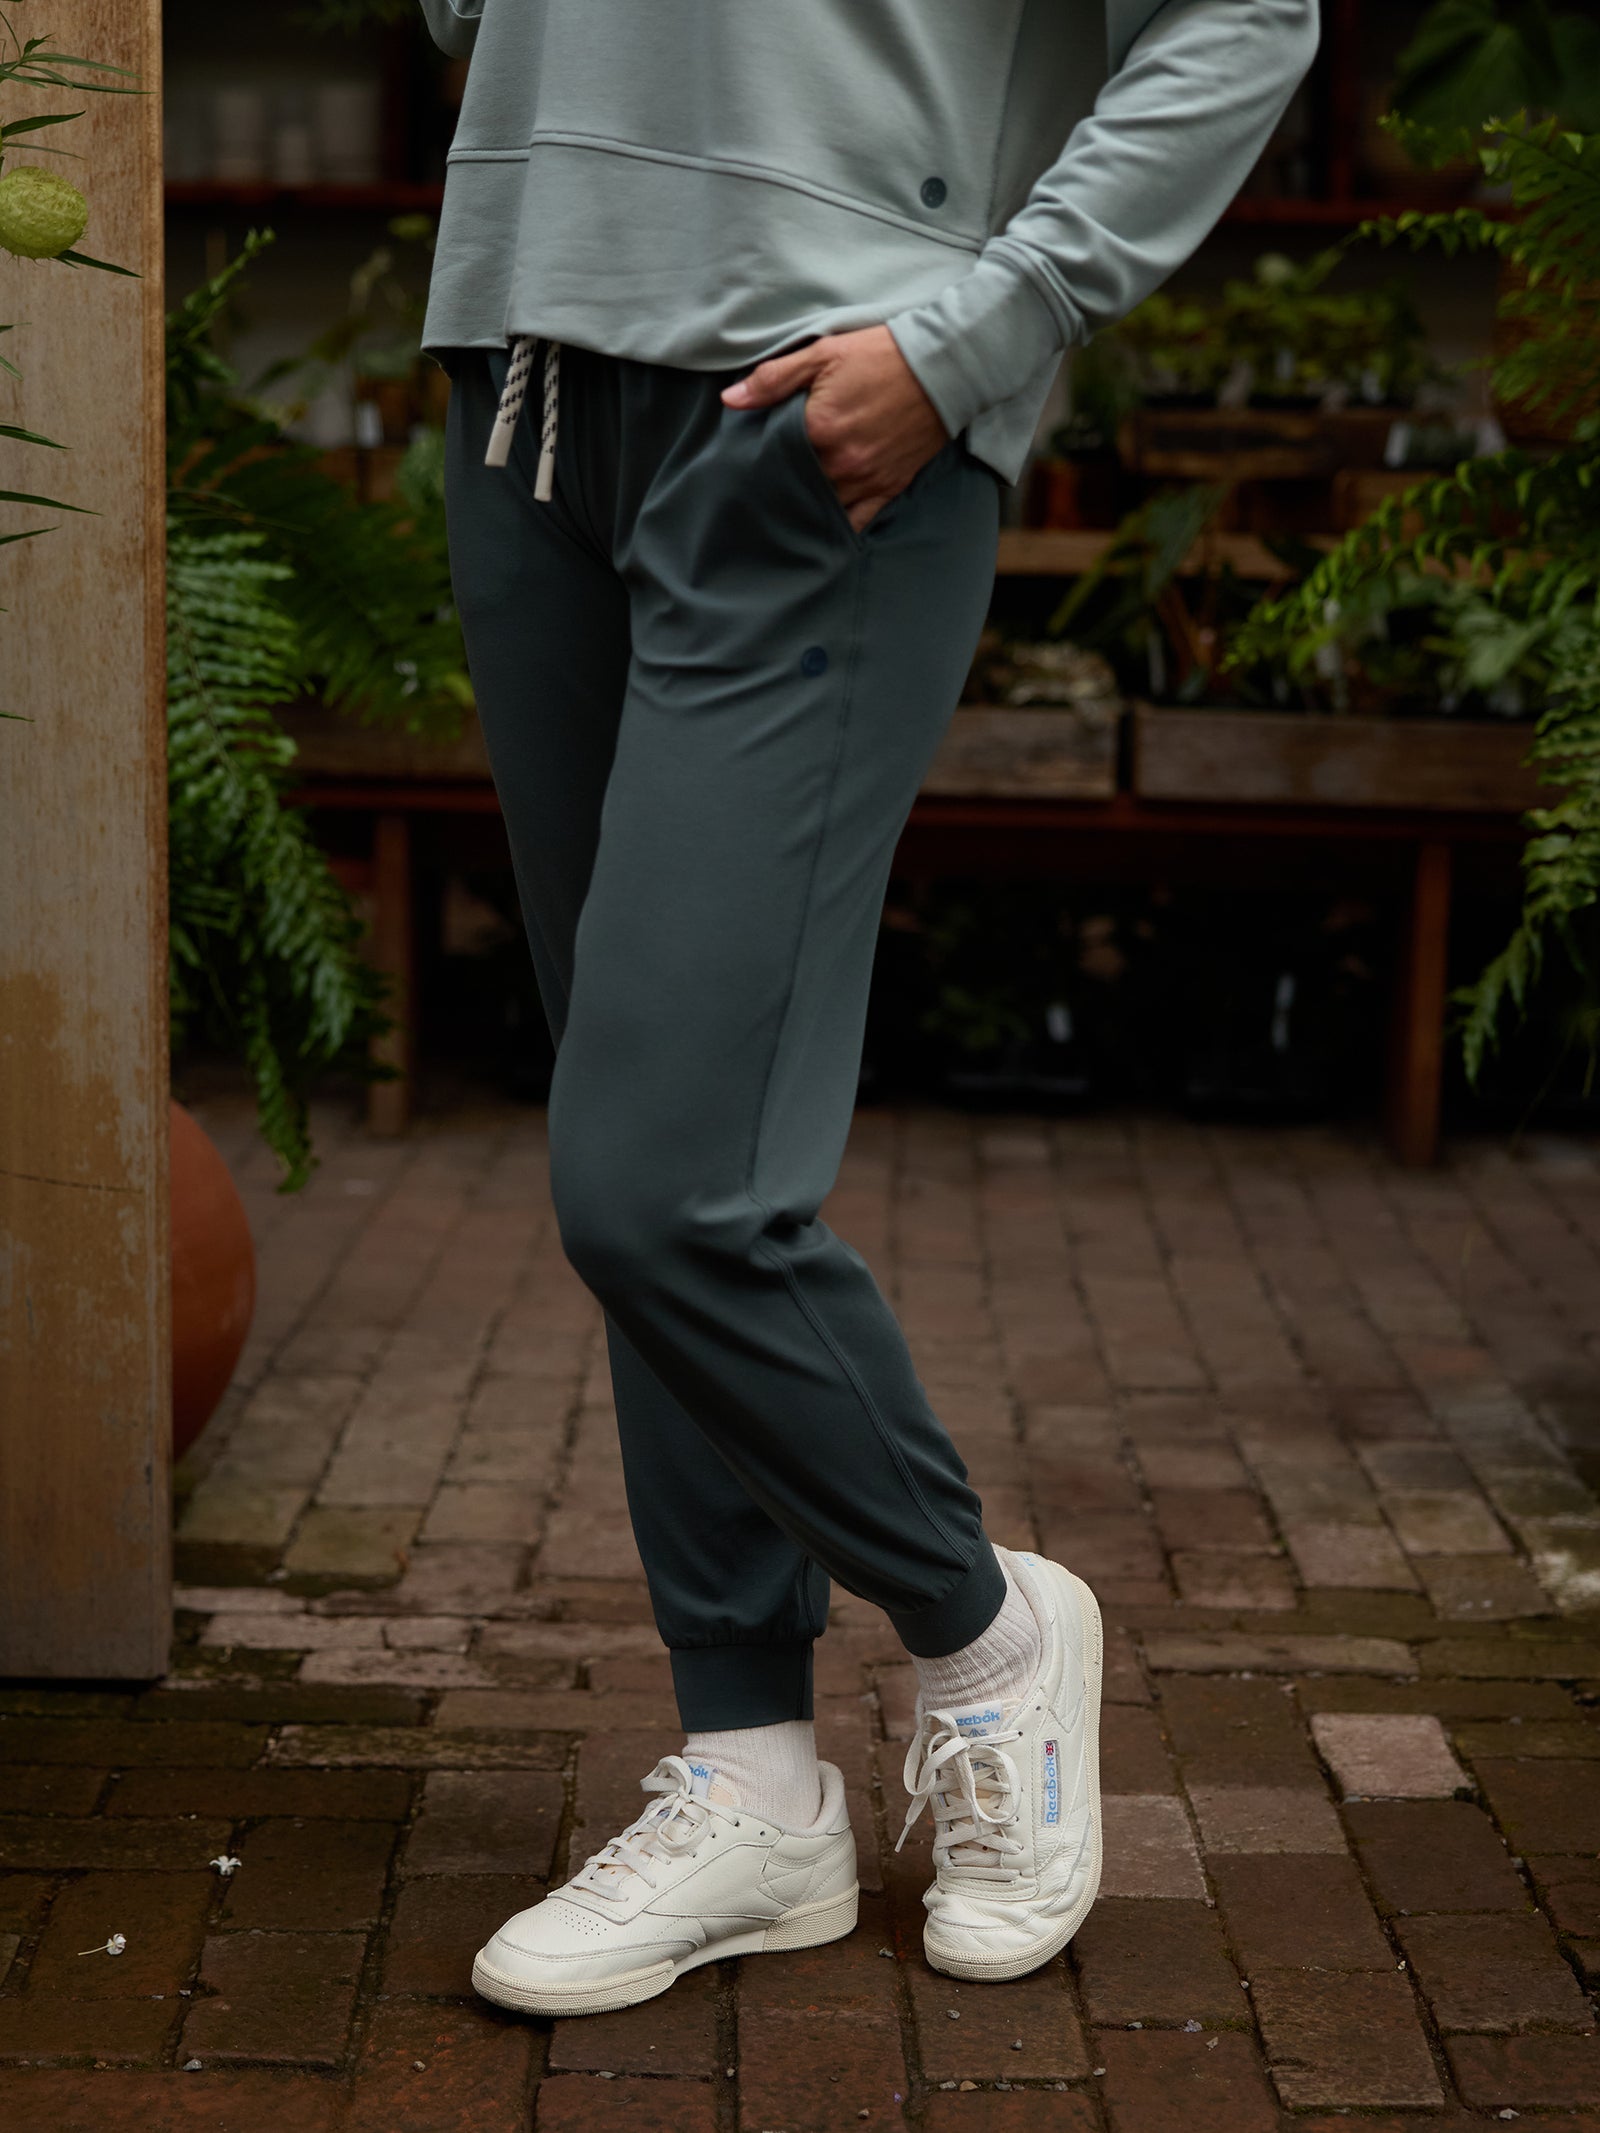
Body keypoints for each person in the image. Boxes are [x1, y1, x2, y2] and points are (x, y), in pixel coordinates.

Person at [416, 0, 1318, 2016]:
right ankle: (752, 1777)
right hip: (519, 371)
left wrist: (971, 335)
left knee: (661, 1182)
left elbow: (1242, 15)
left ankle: (983, 1631)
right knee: (650, 1131)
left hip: (819, 394)